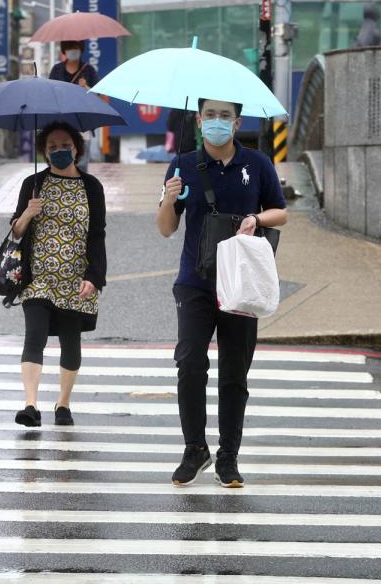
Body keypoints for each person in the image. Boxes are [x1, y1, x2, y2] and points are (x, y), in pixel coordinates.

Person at [157, 98, 287, 489]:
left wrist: (256, 218)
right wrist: (168, 197)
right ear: (198, 121)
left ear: (237, 122)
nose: (216, 122)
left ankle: (228, 456)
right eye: (209, 115)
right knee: (190, 363)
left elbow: (280, 211)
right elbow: (165, 228)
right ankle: (194, 448)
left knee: (235, 373)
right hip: (195, 281)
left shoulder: (258, 164)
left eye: (224, 116)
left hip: (241, 285)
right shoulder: (182, 165)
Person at [10, 121, 107, 427]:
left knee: (71, 342)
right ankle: (30, 404)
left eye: (65, 145)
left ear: (76, 148)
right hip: (37, 277)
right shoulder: (33, 184)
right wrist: (28, 212)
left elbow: (97, 234)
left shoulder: (92, 186)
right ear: (44, 152)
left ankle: (62, 403)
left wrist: (95, 275)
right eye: (52, 147)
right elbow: (15, 230)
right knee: (34, 336)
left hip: (76, 278)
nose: (59, 151)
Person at [49, 40, 102, 170]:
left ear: (81, 49)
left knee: (82, 161)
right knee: (61, 159)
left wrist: (86, 87)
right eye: (69, 48)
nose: (73, 51)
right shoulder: (57, 70)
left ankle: (82, 186)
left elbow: (98, 95)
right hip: (61, 120)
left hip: (83, 120)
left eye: (76, 48)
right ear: (64, 51)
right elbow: (49, 92)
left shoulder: (88, 70)